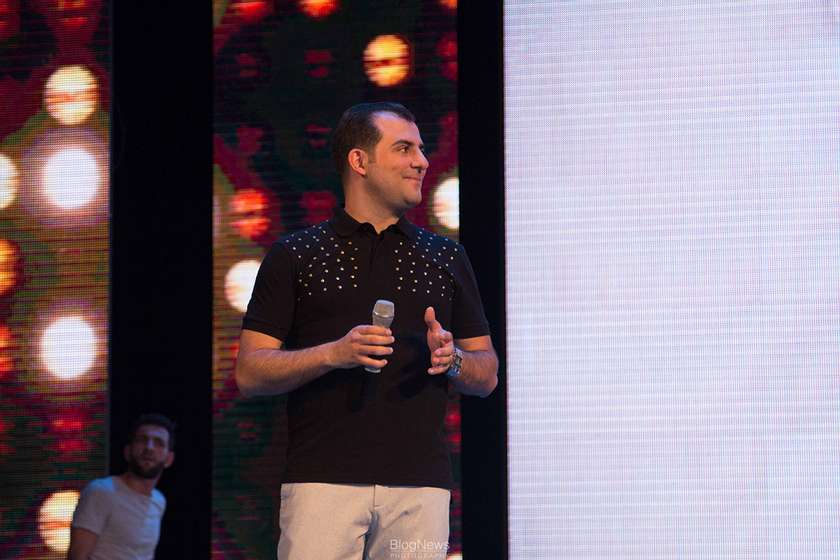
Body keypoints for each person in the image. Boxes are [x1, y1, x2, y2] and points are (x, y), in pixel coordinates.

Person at [235, 101, 499, 559]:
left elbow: (488, 373)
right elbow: (250, 372)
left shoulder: (446, 257)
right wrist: (332, 354)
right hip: (321, 483)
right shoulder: (296, 254)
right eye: (404, 148)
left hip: (420, 487)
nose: (422, 161)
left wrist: (452, 359)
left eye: (421, 149)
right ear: (359, 161)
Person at [67, 413, 175, 560]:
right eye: (142, 440)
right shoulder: (101, 491)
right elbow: (77, 556)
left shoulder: (159, 501)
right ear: (128, 451)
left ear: (169, 459)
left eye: (159, 443)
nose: (149, 448)